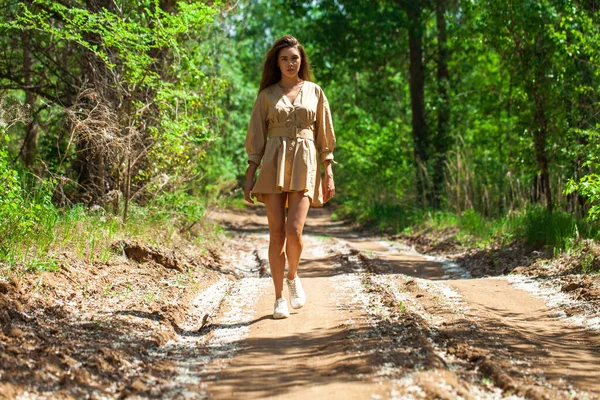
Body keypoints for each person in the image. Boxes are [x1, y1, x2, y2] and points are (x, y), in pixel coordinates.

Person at [244, 35, 336, 319]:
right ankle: (278, 298)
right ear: (277, 62)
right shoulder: (267, 95)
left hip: (305, 163)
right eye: (284, 58)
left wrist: (328, 170)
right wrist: (250, 172)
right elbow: (257, 135)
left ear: (301, 60)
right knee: (276, 234)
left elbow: (325, 134)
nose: (289, 63)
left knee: (295, 232)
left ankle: (293, 276)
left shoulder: (315, 91)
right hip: (272, 162)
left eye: (294, 58)